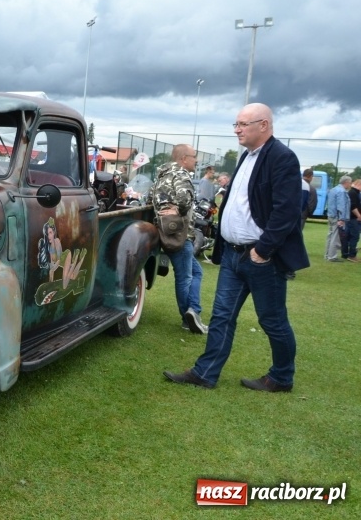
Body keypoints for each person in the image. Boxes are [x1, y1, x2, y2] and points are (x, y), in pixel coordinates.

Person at [164, 103, 309, 392]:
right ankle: (205, 373)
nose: (237, 130)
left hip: (261, 258)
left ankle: (281, 377)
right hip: (232, 254)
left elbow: (287, 211)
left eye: (243, 124)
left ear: (264, 125)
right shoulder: (247, 156)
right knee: (221, 316)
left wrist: (262, 250)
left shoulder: (282, 158)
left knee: (272, 320)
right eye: (236, 124)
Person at [148, 144, 207, 334]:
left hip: (166, 234)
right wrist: (179, 210)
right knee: (185, 277)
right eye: (194, 156)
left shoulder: (161, 176)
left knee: (195, 273)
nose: (196, 160)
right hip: (182, 235)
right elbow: (184, 200)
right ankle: (188, 316)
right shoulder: (181, 174)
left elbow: (150, 199)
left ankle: (193, 311)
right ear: (183, 158)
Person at [325, 176, 351, 262]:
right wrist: (341, 219)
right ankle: (332, 256)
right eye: (350, 183)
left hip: (331, 215)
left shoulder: (333, 189)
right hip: (337, 217)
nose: (350, 185)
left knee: (330, 235)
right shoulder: (342, 191)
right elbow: (341, 206)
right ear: (346, 182)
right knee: (335, 237)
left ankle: (327, 254)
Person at [345, 178, 361, 262]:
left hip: (352, 218)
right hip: (353, 218)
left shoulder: (354, 192)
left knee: (350, 236)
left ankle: (347, 254)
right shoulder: (353, 193)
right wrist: (359, 215)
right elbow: (353, 206)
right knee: (354, 236)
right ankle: (351, 255)